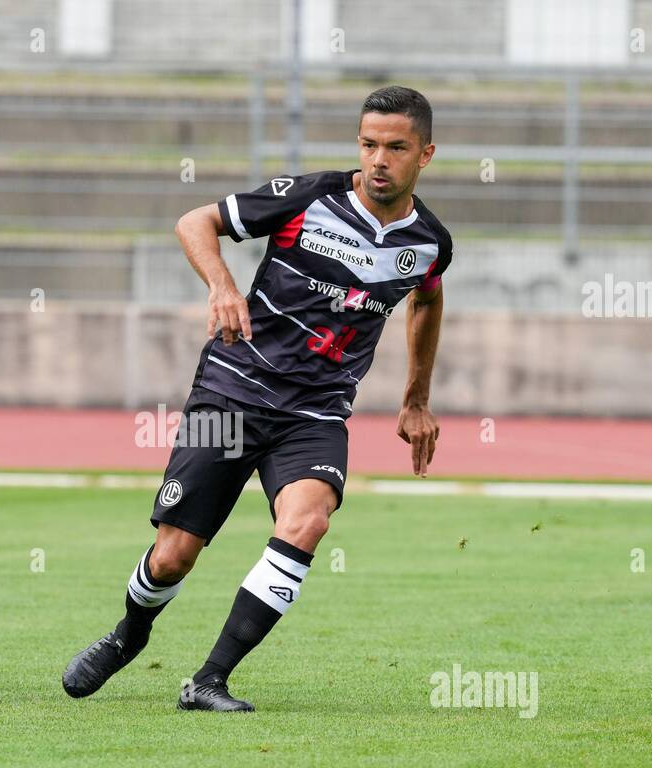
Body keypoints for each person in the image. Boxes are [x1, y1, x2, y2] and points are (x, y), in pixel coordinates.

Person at [63, 86, 451, 711]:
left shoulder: (429, 243)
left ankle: (209, 680)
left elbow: (428, 298)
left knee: (308, 522)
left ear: (425, 154)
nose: (380, 159)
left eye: (396, 148)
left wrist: (416, 398)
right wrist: (221, 285)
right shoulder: (310, 196)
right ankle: (128, 635)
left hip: (316, 411)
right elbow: (196, 222)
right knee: (172, 557)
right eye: (369, 144)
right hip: (233, 390)